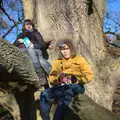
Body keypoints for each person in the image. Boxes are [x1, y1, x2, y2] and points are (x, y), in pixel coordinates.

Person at [39, 39, 94, 120]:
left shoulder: (79, 59)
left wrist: (76, 79)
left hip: (76, 85)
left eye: (67, 49)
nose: (65, 52)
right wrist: (59, 79)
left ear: (71, 49)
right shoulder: (57, 62)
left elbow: (89, 75)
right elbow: (52, 76)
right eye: (62, 49)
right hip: (61, 86)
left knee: (65, 94)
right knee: (44, 94)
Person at [14, 19, 52, 87]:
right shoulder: (21, 35)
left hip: (36, 51)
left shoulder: (35, 33)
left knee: (42, 61)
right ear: (24, 26)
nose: (28, 26)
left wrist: (33, 45)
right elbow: (14, 45)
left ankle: (52, 77)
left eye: (30, 24)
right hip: (24, 52)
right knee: (31, 52)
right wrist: (22, 41)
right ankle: (43, 76)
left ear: (32, 26)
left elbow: (42, 45)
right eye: (26, 24)